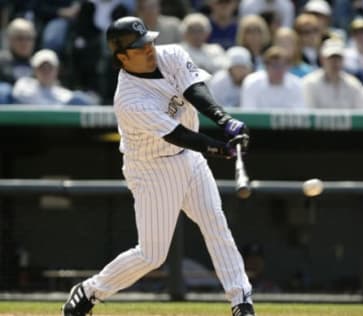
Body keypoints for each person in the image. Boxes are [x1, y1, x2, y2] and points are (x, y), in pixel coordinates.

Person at [61, 17, 255, 316]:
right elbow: (178, 135)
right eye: (139, 47)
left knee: (216, 226)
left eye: (149, 40)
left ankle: (241, 301)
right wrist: (221, 148)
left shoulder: (172, 54)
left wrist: (225, 121)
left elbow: (195, 90)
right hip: (152, 169)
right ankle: (91, 290)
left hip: (190, 160)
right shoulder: (129, 99)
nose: (149, 48)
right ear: (122, 57)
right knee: (152, 255)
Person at [12, 49, 96, 105]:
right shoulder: (24, 84)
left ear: (57, 70)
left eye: (50, 68)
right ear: (34, 70)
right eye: (42, 67)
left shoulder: (64, 93)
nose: (46, 71)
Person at [302, 38, 363, 109]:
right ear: (322, 59)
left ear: (343, 60)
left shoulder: (354, 85)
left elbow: (359, 114)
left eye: (338, 58)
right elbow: (309, 113)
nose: (335, 62)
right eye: (331, 58)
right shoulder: (310, 83)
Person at [240, 46, 305, 109]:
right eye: (274, 65)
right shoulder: (252, 83)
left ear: (289, 66)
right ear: (266, 66)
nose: (279, 70)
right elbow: (249, 112)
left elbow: (300, 114)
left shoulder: (297, 85)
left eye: (283, 65)